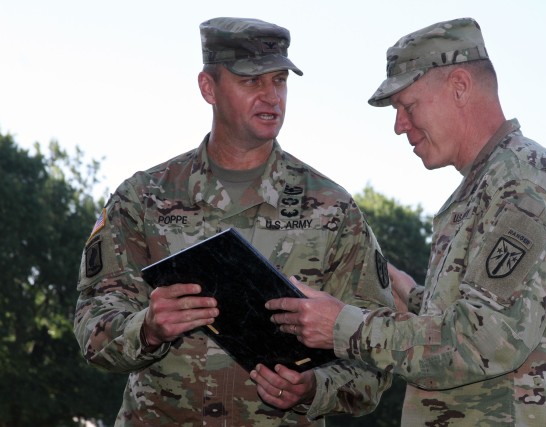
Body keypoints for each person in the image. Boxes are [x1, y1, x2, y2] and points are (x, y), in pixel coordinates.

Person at [267, 17, 546, 426]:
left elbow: (486, 340)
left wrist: (343, 325)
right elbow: (486, 313)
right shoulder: (488, 184)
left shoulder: (523, 182)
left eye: (408, 106)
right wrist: (410, 293)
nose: (398, 126)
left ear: (459, 86)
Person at [73, 17, 394, 426]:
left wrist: (315, 387)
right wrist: (148, 328)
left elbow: (375, 357)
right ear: (208, 87)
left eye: (279, 80)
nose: (271, 96)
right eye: (251, 82)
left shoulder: (333, 209)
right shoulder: (142, 199)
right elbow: (92, 327)